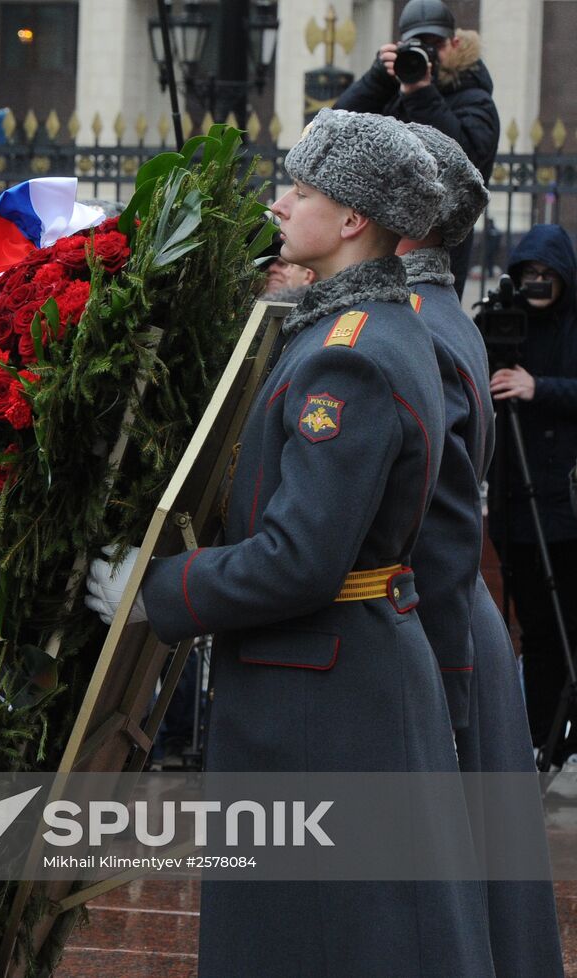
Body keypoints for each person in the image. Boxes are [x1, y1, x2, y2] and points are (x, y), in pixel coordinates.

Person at [86, 109, 492, 976]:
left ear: (352, 220)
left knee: (321, 938)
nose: (279, 203)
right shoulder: (365, 327)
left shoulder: (348, 354)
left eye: (300, 191)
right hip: (341, 675)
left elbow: (299, 559)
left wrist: (157, 589)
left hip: (323, 691)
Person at [398, 122, 563, 978]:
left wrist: (444, 681)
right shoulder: (430, 310)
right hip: (455, 621)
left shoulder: (412, 325)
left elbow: (441, 521)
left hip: (438, 620)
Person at [484, 224, 577, 757]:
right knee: (537, 632)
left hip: (565, 509)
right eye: (529, 275)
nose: (539, 284)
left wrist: (537, 387)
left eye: (548, 275)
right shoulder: (504, 326)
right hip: (518, 507)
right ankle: (543, 740)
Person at [334, 0, 499, 291]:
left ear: (455, 43)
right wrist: (375, 80)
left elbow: (467, 164)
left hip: (438, 248)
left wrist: (421, 93)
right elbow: (336, 132)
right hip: (378, 238)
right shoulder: (392, 91)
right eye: (416, 44)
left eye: (435, 43)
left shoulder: (475, 99)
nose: (426, 53)